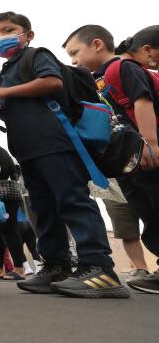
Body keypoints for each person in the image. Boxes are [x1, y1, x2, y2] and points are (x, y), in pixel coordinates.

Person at [0, 12, 126, 298]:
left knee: (72, 200)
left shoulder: (36, 55)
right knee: (43, 209)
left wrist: (5, 91)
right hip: (28, 149)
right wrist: (3, 105)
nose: (0, 38)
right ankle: (56, 265)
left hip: (56, 143)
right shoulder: (8, 69)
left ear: (28, 34)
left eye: (8, 30)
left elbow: (52, 83)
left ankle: (99, 268)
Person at [63, 24, 159, 294]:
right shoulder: (97, 78)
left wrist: (150, 143)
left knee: (156, 202)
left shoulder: (122, 68)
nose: (73, 60)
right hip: (127, 160)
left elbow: (142, 100)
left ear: (96, 44)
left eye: (75, 52)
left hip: (146, 152)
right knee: (146, 208)